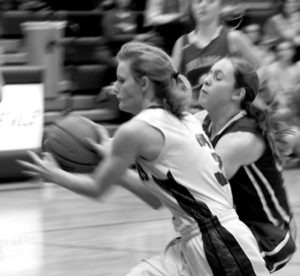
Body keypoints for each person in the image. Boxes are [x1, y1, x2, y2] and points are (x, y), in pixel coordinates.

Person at [19, 41, 269, 275]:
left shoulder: (138, 129)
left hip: (219, 242)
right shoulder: (180, 118)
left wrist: (54, 174)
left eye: (121, 80)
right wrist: (114, 167)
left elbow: (96, 188)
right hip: (199, 239)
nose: (114, 88)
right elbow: (155, 199)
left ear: (144, 84)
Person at [195, 56, 296, 272]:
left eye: (218, 77)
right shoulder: (205, 119)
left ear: (237, 93)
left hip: (269, 235)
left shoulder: (240, 139)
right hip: (237, 226)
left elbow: (199, 188)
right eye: (210, 73)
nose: (207, 79)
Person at [171, 0, 262, 113]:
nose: (203, 5)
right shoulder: (182, 43)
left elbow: (261, 69)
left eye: (210, 1)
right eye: (198, 1)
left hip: (228, 115)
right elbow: (170, 84)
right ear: (192, 7)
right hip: (195, 115)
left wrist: (242, 96)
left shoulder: (233, 38)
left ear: (221, 7)